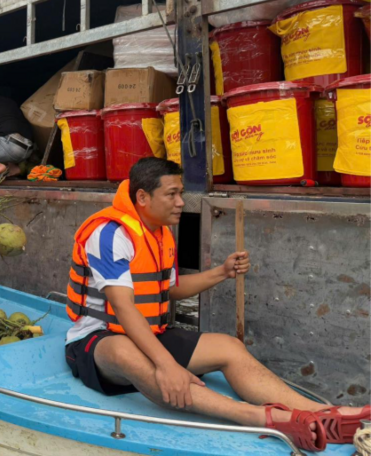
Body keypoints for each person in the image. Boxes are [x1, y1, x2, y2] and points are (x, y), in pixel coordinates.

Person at [65, 157, 370, 452]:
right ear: (143, 197)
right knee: (124, 352)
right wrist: (168, 365)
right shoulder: (109, 234)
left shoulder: (160, 234)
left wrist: (222, 272)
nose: (181, 202)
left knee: (228, 347)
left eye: (181, 193)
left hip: (148, 334)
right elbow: (124, 308)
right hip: (97, 341)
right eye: (172, 194)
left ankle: (322, 413)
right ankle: (265, 419)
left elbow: (169, 290)